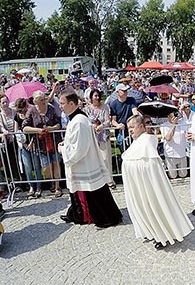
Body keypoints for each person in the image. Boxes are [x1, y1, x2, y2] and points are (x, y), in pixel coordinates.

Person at [121, 115, 194, 249]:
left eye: (132, 127)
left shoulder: (148, 139)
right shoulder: (136, 141)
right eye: (128, 128)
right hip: (138, 185)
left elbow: (150, 165)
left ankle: (164, 234)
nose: (130, 130)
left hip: (149, 185)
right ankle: (153, 231)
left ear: (141, 126)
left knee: (155, 206)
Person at [57, 92, 122, 228]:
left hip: (84, 164)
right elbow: (76, 141)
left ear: (72, 104)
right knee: (88, 192)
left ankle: (104, 218)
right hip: (85, 163)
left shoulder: (79, 121)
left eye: (62, 103)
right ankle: (79, 215)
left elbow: (79, 148)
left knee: (94, 194)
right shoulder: (78, 118)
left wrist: (63, 150)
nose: (60, 106)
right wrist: (66, 143)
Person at [22, 90, 63, 198]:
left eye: (44, 98)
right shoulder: (31, 111)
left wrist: (52, 128)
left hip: (54, 140)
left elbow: (58, 124)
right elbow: (24, 128)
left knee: (56, 163)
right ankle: (51, 182)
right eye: (41, 99)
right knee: (46, 169)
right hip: (40, 144)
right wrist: (37, 130)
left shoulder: (51, 108)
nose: (44, 100)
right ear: (36, 101)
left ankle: (57, 186)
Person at [84, 88, 116, 189]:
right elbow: (86, 121)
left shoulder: (105, 107)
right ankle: (98, 181)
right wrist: (92, 126)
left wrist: (101, 126)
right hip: (92, 136)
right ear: (91, 97)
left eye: (98, 96)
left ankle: (110, 180)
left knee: (106, 158)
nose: (97, 98)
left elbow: (107, 120)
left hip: (103, 135)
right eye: (95, 96)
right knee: (94, 159)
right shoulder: (87, 109)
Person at [109, 83, 139, 151]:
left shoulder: (132, 100)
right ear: (117, 92)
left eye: (126, 90)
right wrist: (118, 125)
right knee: (123, 151)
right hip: (120, 132)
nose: (125, 92)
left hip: (131, 130)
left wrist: (134, 121)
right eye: (123, 90)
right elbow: (113, 120)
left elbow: (135, 112)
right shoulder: (113, 104)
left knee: (134, 150)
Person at [160, 110, 189, 179]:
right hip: (170, 155)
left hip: (182, 154)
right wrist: (174, 125)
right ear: (168, 117)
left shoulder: (182, 123)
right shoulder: (164, 125)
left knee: (183, 175)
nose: (175, 117)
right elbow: (168, 138)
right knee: (173, 176)